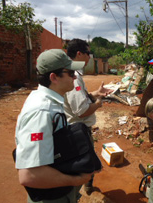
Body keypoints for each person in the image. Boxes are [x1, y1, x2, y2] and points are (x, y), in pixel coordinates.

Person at [15, 49, 94, 203]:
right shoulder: (42, 111)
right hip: (51, 197)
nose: (75, 76)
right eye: (71, 73)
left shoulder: (49, 101)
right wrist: (75, 180)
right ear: (54, 77)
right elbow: (29, 175)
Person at [64, 38, 113, 194]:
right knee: (83, 166)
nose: (89, 57)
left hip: (75, 129)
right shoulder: (73, 76)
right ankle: (77, 193)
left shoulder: (73, 73)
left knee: (85, 163)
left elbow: (81, 98)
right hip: (78, 131)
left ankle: (87, 188)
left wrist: (96, 94)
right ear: (79, 54)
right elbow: (81, 110)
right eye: (88, 54)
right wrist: (98, 103)